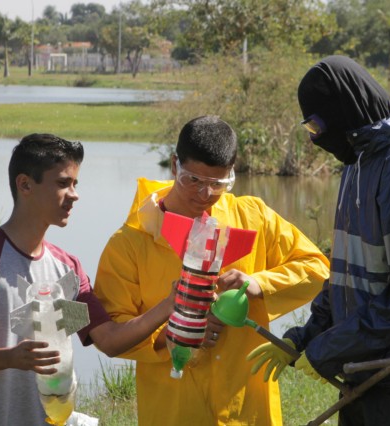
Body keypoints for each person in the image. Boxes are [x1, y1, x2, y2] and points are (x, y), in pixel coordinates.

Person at [248, 55, 390, 426]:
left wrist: (331, 348)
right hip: (367, 375)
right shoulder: (357, 164)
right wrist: (306, 336)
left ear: (344, 112)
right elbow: (345, 273)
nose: (316, 136)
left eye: (317, 124)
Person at [93, 115, 331, 425]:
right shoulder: (131, 242)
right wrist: (174, 335)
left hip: (247, 406)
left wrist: (259, 283)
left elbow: (318, 269)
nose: (205, 195)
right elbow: (111, 331)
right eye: (193, 180)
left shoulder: (252, 216)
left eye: (218, 183)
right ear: (174, 164)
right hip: (174, 410)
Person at [0, 133, 174, 426]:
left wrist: (168, 306)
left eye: (75, 184)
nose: (74, 194)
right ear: (25, 184)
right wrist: (11, 357)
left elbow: (110, 340)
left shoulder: (67, 271)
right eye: (63, 183)